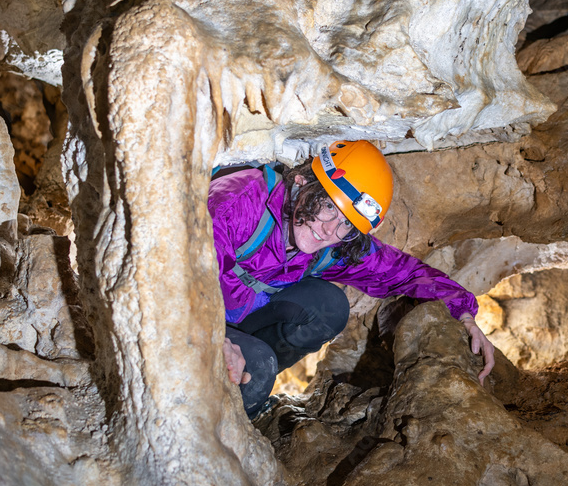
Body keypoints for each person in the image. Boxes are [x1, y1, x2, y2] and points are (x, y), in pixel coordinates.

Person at [208, 140, 495, 417]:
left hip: (240, 315)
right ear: (301, 183)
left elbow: (400, 271)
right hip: (194, 309)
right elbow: (182, 270)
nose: (330, 229)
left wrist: (464, 313)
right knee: (256, 368)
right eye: (330, 206)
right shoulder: (241, 202)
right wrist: (212, 338)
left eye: (347, 222)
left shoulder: (333, 245)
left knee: (330, 306)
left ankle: (254, 369)